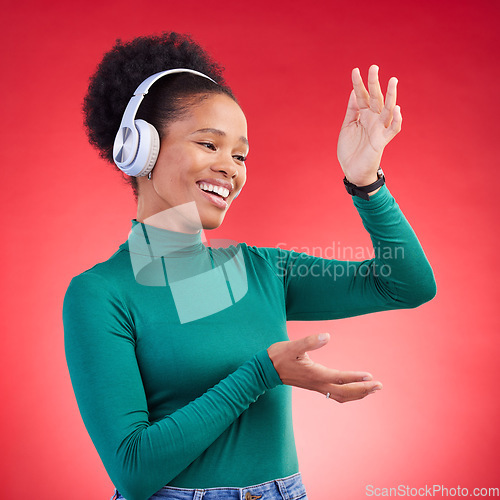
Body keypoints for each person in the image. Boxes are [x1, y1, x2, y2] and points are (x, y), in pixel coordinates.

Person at [63, 32, 436, 500]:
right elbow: (134, 471)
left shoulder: (260, 270)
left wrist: (366, 182)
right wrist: (264, 372)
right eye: (209, 144)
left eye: (240, 155)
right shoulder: (101, 294)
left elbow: (406, 285)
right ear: (140, 150)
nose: (230, 167)